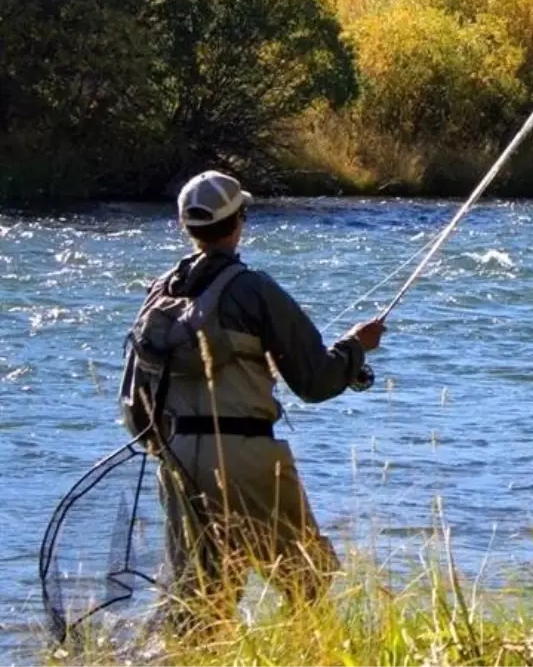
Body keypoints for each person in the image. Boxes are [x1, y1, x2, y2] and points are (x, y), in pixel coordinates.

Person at [126, 169, 385, 630]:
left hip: (177, 459)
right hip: (248, 457)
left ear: (187, 226)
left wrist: (174, 451)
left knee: (198, 600)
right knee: (307, 576)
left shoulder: (158, 294)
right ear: (239, 220)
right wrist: (356, 347)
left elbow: (134, 403)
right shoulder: (253, 289)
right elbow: (315, 382)